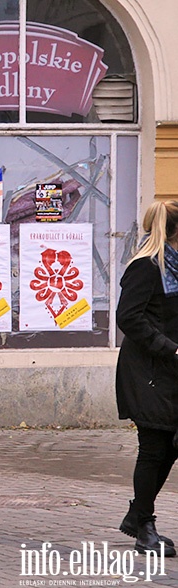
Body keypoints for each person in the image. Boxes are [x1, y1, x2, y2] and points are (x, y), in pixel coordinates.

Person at [115, 200, 178, 557]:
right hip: (148, 373)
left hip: (171, 370)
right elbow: (129, 317)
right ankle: (144, 527)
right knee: (154, 449)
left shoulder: (177, 268)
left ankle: (138, 515)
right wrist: (167, 347)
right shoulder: (146, 267)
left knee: (169, 447)